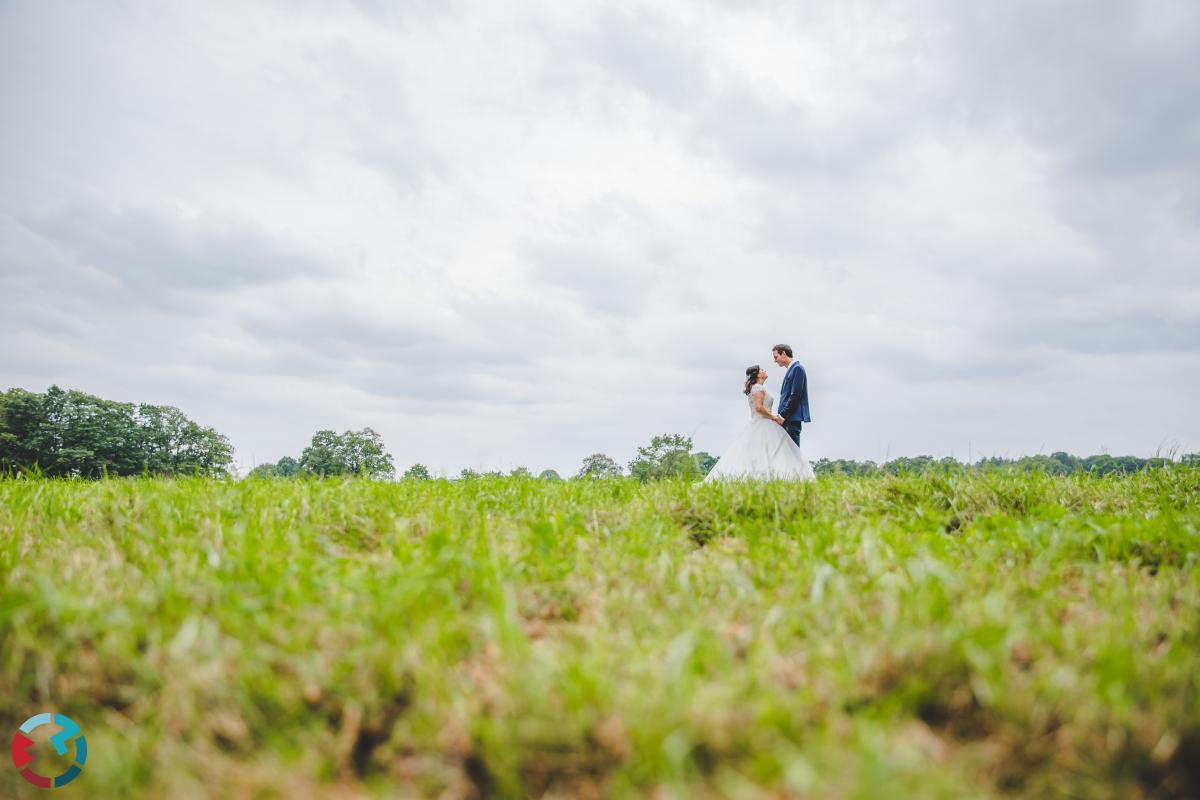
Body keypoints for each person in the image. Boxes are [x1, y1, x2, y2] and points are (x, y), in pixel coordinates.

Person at [705, 364, 815, 481]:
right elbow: (759, 408)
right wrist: (773, 417)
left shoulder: (757, 388)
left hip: (761, 422)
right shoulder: (758, 388)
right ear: (758, 374)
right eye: (762, 370)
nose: (764, 370)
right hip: (763, 423)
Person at [771, 343, 810, 447]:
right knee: (788, 455)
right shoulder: (792, 369)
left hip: (791, 419)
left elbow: (795, 396)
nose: (775, 360)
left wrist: (782, 415)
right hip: (788, 419)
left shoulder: (797, 368)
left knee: (793, 455)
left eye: (776, 357)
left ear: (783, 353)